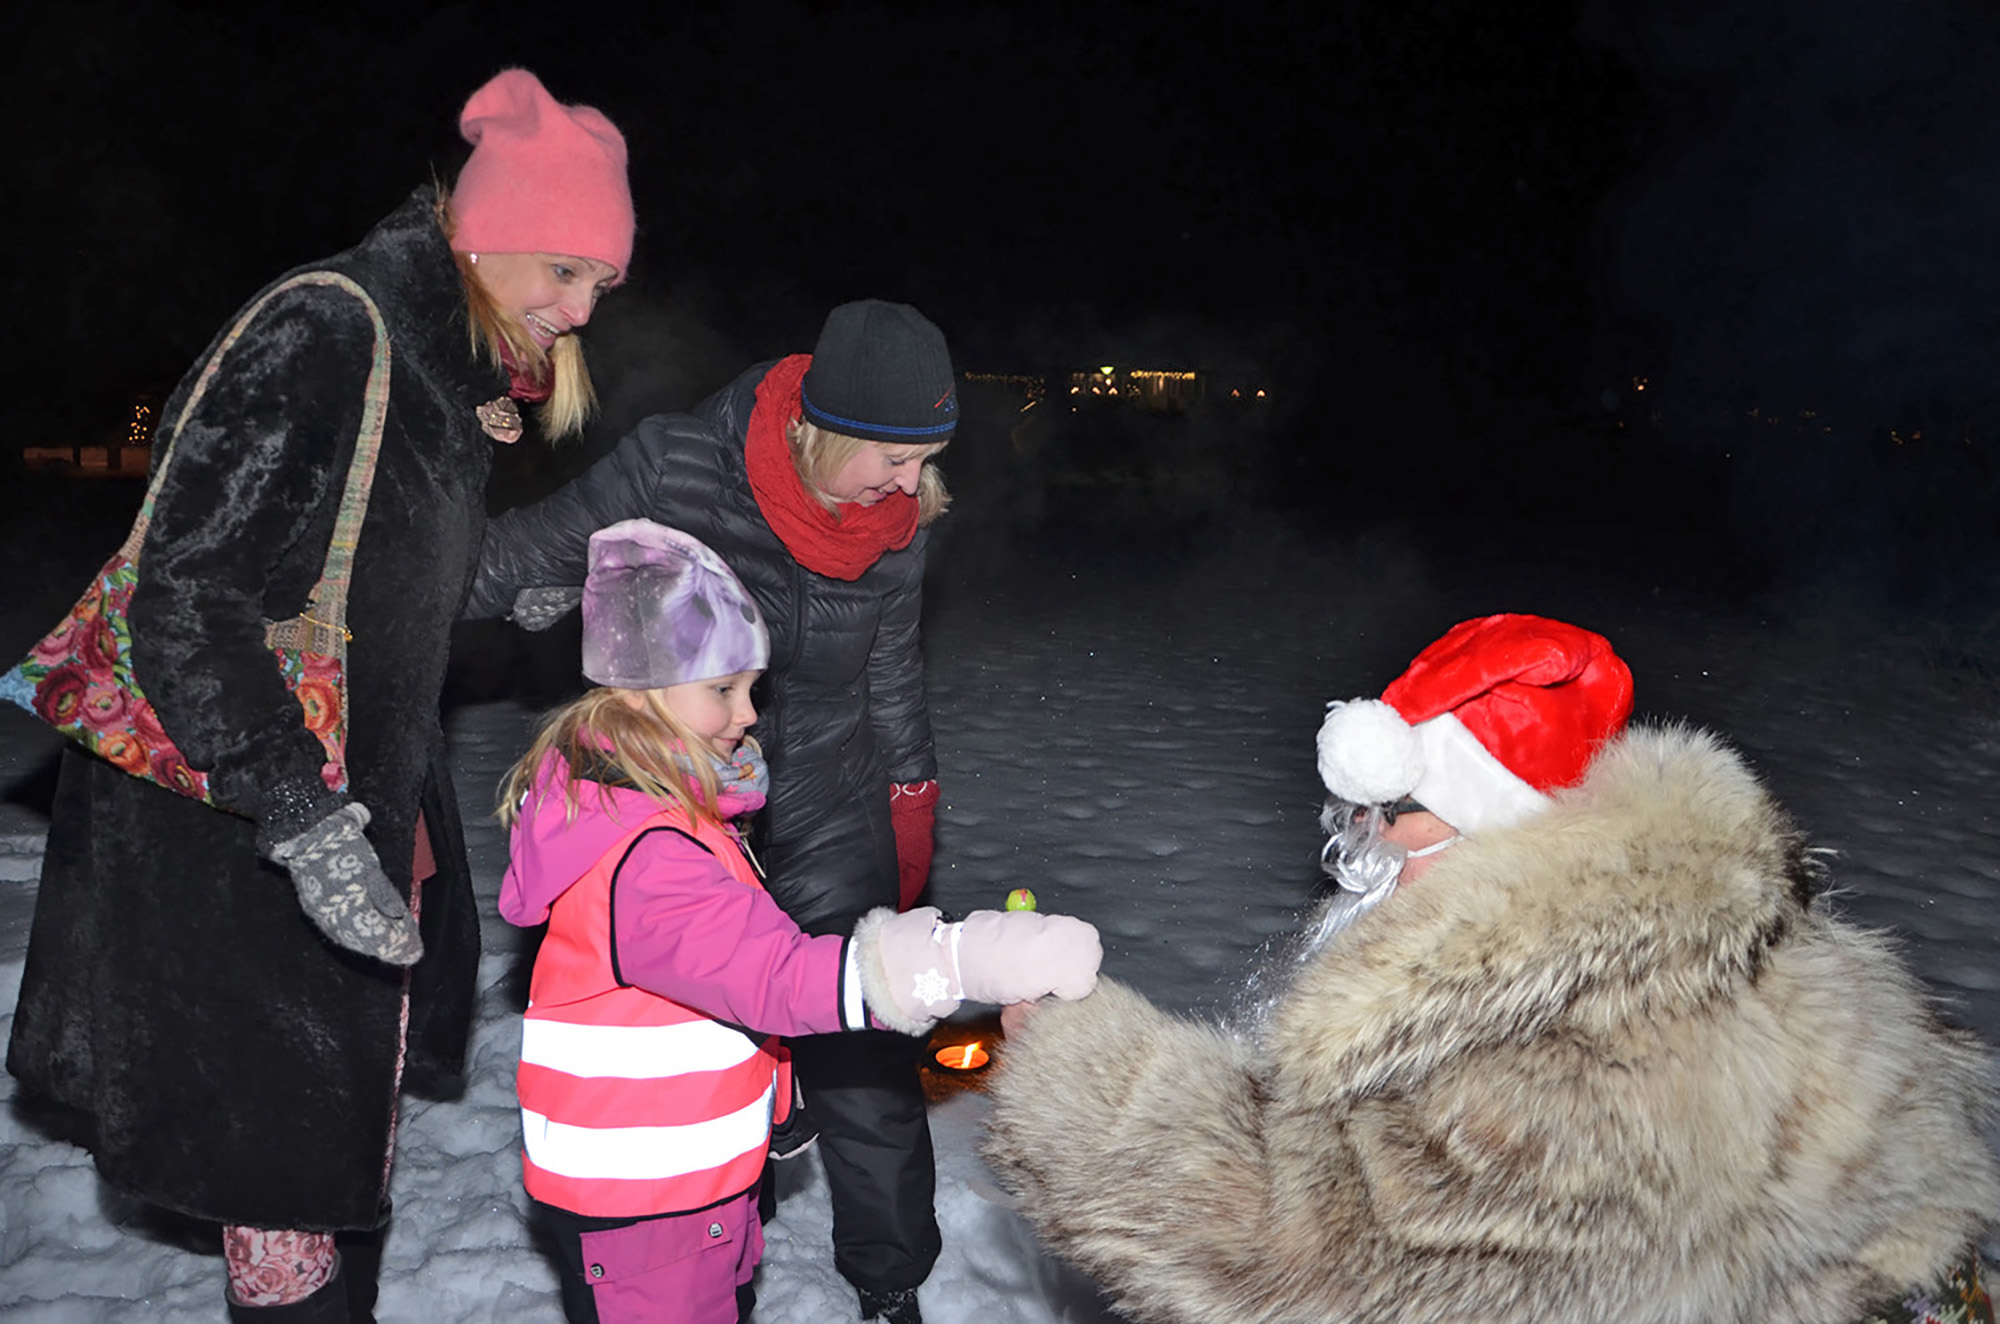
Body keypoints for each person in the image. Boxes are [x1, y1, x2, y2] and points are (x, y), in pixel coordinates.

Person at [5, 68, 634, 1321]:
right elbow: (184, 595)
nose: (578, 310)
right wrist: (299, 815)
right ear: (486, 231)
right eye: (565, 269)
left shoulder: (444, 374)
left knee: (334, 1180)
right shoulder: (327, 330)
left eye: (599, 286)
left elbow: (363, 579)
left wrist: (512, 582)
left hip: (355, 825)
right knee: (287, 1207)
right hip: (245, 844)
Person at [985, 614, 2000, 1324]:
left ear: (1504, 836)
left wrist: (1079, 1068)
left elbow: (1313, 1261)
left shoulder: (1582, 1055)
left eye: (1401, 828)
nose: (1370, 860)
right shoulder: (1693, 927)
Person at [466, 299, 961, 1322]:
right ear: (823, 428)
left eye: (925, 460)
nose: (911, 485)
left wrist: (911, 795)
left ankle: (890, 1281)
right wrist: (356, 597)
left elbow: (891, 672)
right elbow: (509, 559)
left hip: (826, 793)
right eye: (895, 458)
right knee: (713, 1020)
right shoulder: (677, 467)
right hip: (688, 804)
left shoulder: (895, 525)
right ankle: (716, 1217)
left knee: (865, 1049)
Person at [497, 518, 1100, 1324]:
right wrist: (959, 959)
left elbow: (712, 988)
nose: (749, 713)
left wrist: (777, 1103)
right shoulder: (646, 854)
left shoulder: (654, 810)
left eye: (753, 688)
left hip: (690, 1176)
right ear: (638, 692)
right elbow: (773, 977)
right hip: (650, 1206)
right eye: (723, 690)